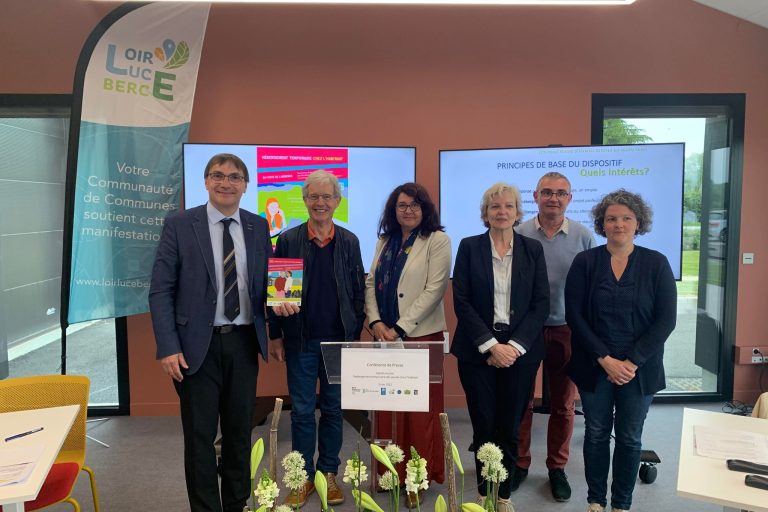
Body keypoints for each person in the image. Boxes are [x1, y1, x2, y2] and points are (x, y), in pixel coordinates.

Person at [149, 153, 273, 512]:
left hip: (243, 344)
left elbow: (265, 283)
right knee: (200, 438)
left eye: (234, 177)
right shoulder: (180, 224)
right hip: (194, 349)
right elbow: (161, 289)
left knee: (239, 434)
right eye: (217, 175)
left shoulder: (258, 226)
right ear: (205, 181)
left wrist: (281, 304)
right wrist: (167, 346)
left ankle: (236, 504)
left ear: (245, 185)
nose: (225, 183)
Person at [565, 189, 676, 512]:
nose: (619, 224)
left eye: (627, 218)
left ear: (638, 223)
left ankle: (621, 505)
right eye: (611, 218)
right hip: (594, 365)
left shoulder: (656, 263)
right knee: (597, 434)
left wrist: (631, 362)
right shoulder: (585, 262)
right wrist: (605, 359)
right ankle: (596, 501)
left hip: (639, 371)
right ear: (602, 224)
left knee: (629, 438)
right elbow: (575, 316)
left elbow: (666, 320)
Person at [268, 170, 366, 508]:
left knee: (334, 410)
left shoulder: (349, 241)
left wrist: (354, 334)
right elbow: (276, 294)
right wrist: (275, 335)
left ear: (337, 201)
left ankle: (328, 474)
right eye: (314, 197)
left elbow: (358, 293)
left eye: (327, 197)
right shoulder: (288, 240)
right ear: (305, 200)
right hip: (301, 341)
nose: (320, 203)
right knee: (302, 412)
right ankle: (303, 477)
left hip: (338, 342)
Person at [451, 182, 549, 512]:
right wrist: (492, 346)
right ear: (486, 213)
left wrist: (513, 347)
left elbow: (541, 304)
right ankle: (484, 493)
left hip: (520, 352)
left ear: (518, 212)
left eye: (508, 206)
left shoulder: (533, 250)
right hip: (477, 351)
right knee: (483, 424)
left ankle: (503, 495)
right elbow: (462, 302)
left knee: (510, 426)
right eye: (495, 207)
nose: (502, 212)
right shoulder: (469, 247)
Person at [364, 182, 451, 508]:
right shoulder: (384, 241)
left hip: (420, 338)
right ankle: (390, 474)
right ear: (393, 210)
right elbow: (370, 283)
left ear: (425, 209)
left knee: (419, 415)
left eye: (415, 205)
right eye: (402, 205)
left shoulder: (437, 240)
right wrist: (376, 323)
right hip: (384, 338)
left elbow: (435, 289)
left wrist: (399, 328)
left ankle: (417, 478)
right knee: (387, 411)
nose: (409, 210)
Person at [513, 172, 596, 501]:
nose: (554, 198)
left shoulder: (583, 236)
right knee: (521, 401)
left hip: (567, 328)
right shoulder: (519, 233)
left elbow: (592, 285)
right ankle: (519, 463)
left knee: (563, 403)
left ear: (570, 199)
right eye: (547, 192)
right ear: (535, 196)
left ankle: (557, 467)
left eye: (561, 193)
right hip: (526, 329)